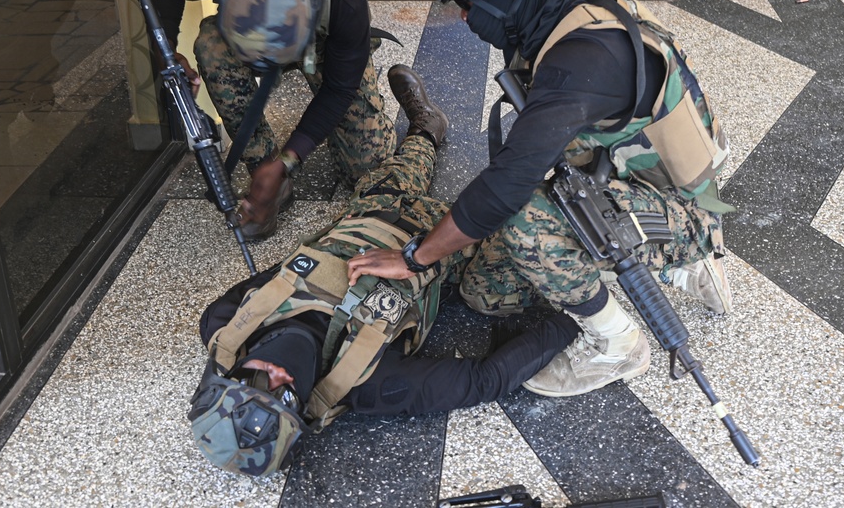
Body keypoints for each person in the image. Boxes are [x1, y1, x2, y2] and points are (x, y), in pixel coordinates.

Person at [347, 0, 733, 399]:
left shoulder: (585, 57)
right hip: (621, 174)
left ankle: (622, 339)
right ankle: (669, 256)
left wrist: (415, 258)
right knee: (485, 294)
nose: (463, 19)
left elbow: (507, 186)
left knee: (523, 218)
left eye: (465, 4)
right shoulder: (553, 16)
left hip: (684, 206)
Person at [189, 65, 580, 478]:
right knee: (503, 266)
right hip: (453, 249)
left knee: (409, 158)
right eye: (285, 399)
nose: (278, 377)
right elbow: (483, 381)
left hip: (374, 211)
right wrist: (575, 321)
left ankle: (428, 126)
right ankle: (560, 183)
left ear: (226, 375)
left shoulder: (223, 324)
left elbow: (284, 267)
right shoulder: (369, 384)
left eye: (254, 383)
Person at [150, 0, 396, 240]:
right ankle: (263, 172)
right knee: (212, 47)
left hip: (325, 42)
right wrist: (169, 55)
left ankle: (422, 122)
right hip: (258, 18)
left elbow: (340, 89)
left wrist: (290, 158)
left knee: (366, 167)